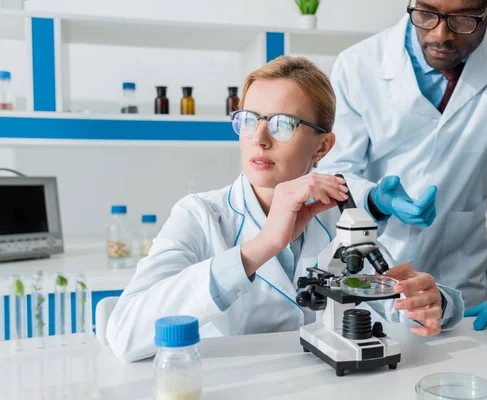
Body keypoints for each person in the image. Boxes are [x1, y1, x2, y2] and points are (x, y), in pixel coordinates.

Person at [106, 56, 464, 362]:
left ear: (322, 147)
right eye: (249, 119)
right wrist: (262, 246)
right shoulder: (199, 215)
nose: (260, 139)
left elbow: (393, 299)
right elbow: (125, 333)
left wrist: (439, 303)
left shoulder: (336, 213)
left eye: (282, 124)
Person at [317, 0, 487, 337]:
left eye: (463, 19)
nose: (440, 34)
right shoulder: (358, 64)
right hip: (376, 266)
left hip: (459, 270)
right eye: (426, 13)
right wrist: (375, 199)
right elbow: (335, 175)